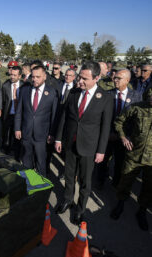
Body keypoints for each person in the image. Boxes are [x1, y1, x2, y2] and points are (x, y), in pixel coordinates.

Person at [55, 61, 113, 225]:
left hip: (89, 146)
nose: (80, 81)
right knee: (68, 175)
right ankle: (67, 200)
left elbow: (105, 126)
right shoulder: (73, 92)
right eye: (80, 77)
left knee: (85, 181)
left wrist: (101, 151)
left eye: (84, 79)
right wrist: (59, 138)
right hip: (70, 143)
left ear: (97, 78)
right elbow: (65, 117)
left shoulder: (106, 98)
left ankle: (80, 210)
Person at [110, 90, 152, 231]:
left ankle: (142, 211)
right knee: (125, 181)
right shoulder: (137, 107)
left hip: (151, 160)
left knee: (148, 187)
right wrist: (123, 137)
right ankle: (120, 204)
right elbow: (119, 121)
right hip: (134, 154)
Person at [96, 69, 142, 188]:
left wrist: (126, 136)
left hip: (125, 138)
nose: (115, 80)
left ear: (127, 80)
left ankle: (116, 183)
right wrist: (108, 133)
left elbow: (137, 120)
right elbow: (101, 116)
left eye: (118, 78)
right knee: (103, 161)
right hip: (108, 135)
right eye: (115, 77)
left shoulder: (136, 96)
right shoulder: (108, 94)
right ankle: (100, 181)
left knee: (120, 162)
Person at [15, 66, 58, 176]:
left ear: (44, 76)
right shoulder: (25, 90)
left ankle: (41, 189)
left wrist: (52, 133)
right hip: (26, 133)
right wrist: (17, 128)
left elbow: (54, 116)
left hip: (42, 136)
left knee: (41, 164)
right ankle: (29, 187)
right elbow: (19, 111)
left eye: (38, 77)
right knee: (26, 164)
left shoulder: (52, 92)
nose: (34, 79)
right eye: (33, 77)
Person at [2, 66, 24, 159]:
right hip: (9, 114)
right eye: (11, 74)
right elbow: (3, 101)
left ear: (20, 76)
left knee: (18, 137)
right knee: (7, 136)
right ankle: (7, 155)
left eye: (15, 75)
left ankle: (17, 156)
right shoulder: (5, 85)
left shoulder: (25, 86)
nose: (12, 77)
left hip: (20, 116)